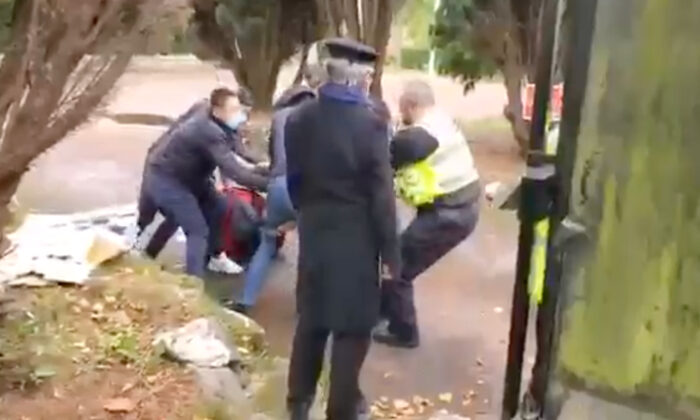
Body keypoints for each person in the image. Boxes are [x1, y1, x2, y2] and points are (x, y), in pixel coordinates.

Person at [284, 38, 400, 420]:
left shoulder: (298, 117)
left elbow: (295, 182)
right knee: (352, 330)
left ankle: (297, 406)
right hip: (358, 237)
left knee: (312, 322)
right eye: (368, 74)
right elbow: (382, 196)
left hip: (316, 231)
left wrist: (309, 215)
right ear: (357, 78)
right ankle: (340, 409)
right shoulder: (372, 124)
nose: (369, 81)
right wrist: (391, 255)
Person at [373, 80, 481, 349]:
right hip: (463, 208)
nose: (402, 116)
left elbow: (390, 155)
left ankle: (405, 332)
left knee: (397, 265)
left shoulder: (420, 136)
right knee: (401, 256)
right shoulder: (443, 120)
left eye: (403, 110)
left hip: (447, 215)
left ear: (411, 106)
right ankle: (384, 312)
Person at [138, 88, 269, 279]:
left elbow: (239, 150)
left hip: (193, 178)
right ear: (216, 111)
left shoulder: (224, 125)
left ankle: (214, 257)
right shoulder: (206, 129)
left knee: (219, 206)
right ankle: (193, 285)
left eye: (239, 109)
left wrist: (264, 165)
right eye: (233, 110)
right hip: (167, 178)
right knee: (196, 229)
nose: (239, 114)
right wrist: (269, 184)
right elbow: (235, 172)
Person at [229, 86, 317, 313]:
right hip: (304, 189)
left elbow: (275, 156)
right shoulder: (319, 119)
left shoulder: (279, 117)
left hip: (278, 187)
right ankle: (305, 306)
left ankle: (245, 299)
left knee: (266, 243)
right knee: (309, 249)